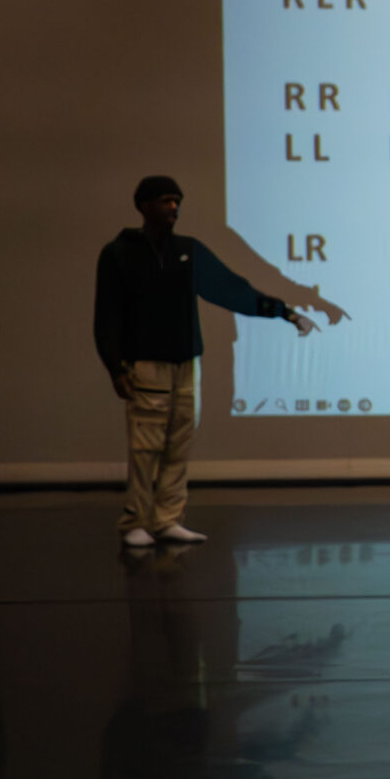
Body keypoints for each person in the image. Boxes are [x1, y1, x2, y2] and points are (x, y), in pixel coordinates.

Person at [92, 175, 317, 549]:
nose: (173, 208)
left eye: (177, 201)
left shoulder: (188, 251)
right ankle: (136, 520)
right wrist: (115, 366)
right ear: (143, 205)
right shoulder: (119, 253)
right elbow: (107, 315)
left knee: (179, 443)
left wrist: (284, 313)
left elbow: (231, 289)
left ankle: (167, 519)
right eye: (165, 200)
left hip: (186, 362)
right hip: (146, 362)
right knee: (146, 447)